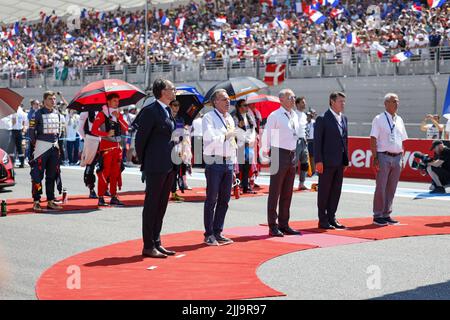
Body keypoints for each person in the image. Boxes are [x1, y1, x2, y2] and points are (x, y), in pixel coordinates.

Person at [135, 79, 178, 259]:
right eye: (171, 88)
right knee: (152, 205)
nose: (174, 90)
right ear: (162, 91)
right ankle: (148, 245)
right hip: (155, 165)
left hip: (169, 164)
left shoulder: (167, 110)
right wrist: (145, 162)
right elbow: (140, 140)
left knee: (161, 205)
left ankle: (157, 241)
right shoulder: (150, 111)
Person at [261, 89, 302, 237]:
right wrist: (265, 152)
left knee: (287, 192)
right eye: (290, 97)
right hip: (279, 153)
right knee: (275, 192)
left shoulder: (294, 115)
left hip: (291, 154)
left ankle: (284, 224)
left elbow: (296, 134)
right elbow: (267, 134)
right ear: (282, 100)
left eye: (294, 97)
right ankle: (273, 225)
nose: (293, 99)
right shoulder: (275, 115)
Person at [202, 89, 237, 246]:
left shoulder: (230, 117)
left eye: (228, 99)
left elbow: (233, 144)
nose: (227, 102)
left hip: (228, 161)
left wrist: (234, 165)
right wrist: (225, 136)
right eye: (224, 99)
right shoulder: (208, 118)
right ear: (215, 102)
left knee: (225, 199)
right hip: (214, 161)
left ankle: (218, 231)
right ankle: (209, 233)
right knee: (211, 199)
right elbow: (210, 138)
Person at [370, 93, 408, 226]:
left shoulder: (399, 120)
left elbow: (403, 140)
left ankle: (387, 214)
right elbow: (373, 138)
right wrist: (375, 157)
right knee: (381, 186)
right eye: (393, 101)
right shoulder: (379, 118)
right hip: (383, 156)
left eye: (397, 101)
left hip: (397, 157)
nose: (397, 104)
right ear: (386, 104)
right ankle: (377, 215)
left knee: (392, 188)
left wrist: (402, 158)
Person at [314, 91, 349, 230]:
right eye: (340, 101)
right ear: (332, 102)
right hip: (326, 162)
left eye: (344, 101)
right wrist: (318, 161)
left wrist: (345, 160)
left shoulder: (344, 118)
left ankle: (332, 217)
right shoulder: (322, 118)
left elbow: (345, 140)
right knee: (324, 191)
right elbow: (318, 141)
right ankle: (322, 220)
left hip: (340, 161)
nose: (343, 104)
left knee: (336, 191)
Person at [29, 91, 64, 212]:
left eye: (54, 99)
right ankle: (36, 201)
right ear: (44, 101)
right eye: (50, 99)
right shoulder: (37, 113)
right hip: (41, 148)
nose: (53, 101)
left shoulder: (57, 113)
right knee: (37, 176)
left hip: (54, 148)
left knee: (51, 175)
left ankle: (50, 200)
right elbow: (31, 131)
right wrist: (36, 144)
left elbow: (59, 131)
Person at [91, 93, 128, 207]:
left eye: (118, 101)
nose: (117, 103)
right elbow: (93, 130)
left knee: (115, 174)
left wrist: (118, 117)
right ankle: (101, 197)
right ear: (108, 102)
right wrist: (105, 133)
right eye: (114, 101)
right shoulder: (102, 114)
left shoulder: (118, 114)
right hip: (106, 148)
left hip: (117, 148)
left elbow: (126, 128)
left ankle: (113, 196)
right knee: (104, 173)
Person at [232, 99, 257, 194]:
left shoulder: (249, 117)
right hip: (239, 145)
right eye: (244, 105)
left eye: (247, 105)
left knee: (247, 166)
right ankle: (237, 186)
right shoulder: (235, 118)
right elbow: (234, 132)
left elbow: (253, 130)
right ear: (239, 107)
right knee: (239, 167)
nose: (247, 107)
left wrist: (250, 140)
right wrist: (238, 126)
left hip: (248, 145)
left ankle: (246, 187)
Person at [78, 110, 100, 199]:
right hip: (90, 139)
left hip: (102, 139)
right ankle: (91, 188)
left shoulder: (102, 111)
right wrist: (87, 138)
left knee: (104, 165)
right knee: (90, 165)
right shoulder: (84, 113)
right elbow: (80, 129)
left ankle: (105, 187)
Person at [169, 100, 186, 202]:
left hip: (177, 147)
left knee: (175, 170)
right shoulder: (166, 118)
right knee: (166, 171)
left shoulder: (180, 119)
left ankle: (174, 192)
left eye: (178, 105)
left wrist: (183, 150)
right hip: (167, 147)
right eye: (175, 105)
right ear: (170, 106)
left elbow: (182, 135)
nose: (177, 107)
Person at [294, 96, 309, 191]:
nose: (305, 104)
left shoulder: (304, 115)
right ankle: (289, 182)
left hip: (304, 141)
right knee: (293, 164)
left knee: (305, 163)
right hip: (296, 141)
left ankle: (301, 183)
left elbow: (304, 128)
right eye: (303, 102)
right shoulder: (293, 114)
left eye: (305, 102)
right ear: (297, 104)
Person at [306, 109, 317, 174]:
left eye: (309, 116)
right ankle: (308, 171)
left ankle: (314, 171)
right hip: (306, 141)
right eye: (307, 116)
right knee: (307, 157)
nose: (308, 117)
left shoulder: (314, 122)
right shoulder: (304, 122)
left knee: (312, 157)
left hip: (312, 141)